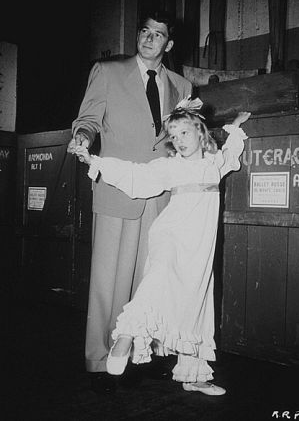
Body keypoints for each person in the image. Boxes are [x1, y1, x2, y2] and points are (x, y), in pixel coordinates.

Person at [75, 96, 251, 396]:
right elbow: (136, 174)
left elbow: (231, 151)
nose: (178, 141)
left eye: (184, 133)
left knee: (196, 301)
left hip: (200, 244)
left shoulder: (214, 163)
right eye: (173, 136)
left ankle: (193, 375)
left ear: (200, 131)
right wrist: (95, 160)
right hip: (170, 234)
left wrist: (234, 127)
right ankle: (127, 335)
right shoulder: (169, 167)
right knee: (158, 280)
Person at [67, 10, 192, 393]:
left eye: (158, 34)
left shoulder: (182, 86)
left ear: (168, 44)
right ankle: (100, 357)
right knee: (110, 282)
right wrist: (83, 138)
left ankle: (145, 352)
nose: (149, 38)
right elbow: (87, 119)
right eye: (144, 31)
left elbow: (183, 139)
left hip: (162, 196)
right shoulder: (107, 72)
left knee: (152, 280)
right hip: (118, 190)